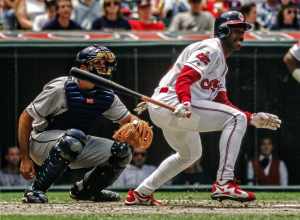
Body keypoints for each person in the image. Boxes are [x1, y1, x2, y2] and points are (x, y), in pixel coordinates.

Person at [124, 10, 282, 206]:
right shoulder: (211, 48)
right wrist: (184, 102)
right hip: (172, 104)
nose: (241, 34)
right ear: (223, 31)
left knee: (190, 154)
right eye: (236, 29)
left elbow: (222, 102)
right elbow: (185, 77)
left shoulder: (222, 64)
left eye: (243, 29)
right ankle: (224, 182)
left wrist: (250, 117)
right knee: (235, 119)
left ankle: (141, 193)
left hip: (174, 108)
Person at [18, 44, 149, 203]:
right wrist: (25, 158)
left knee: (122, 152)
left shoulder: (107, 95)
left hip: (75, 142)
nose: (104, 67)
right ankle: (35, 189)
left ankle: (87, 190)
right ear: (83, 67)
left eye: (106, 64)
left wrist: (137, 123)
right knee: (74, 138)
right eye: (99, 64)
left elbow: (128, 119)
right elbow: (26, 117)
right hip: (41, 143)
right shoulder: (61, 88)